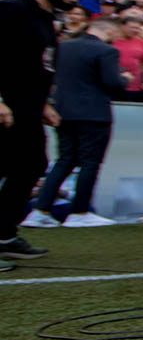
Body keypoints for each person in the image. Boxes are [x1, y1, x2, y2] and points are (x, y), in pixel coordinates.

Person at [0, 0, 84, 267]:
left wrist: (43, 103)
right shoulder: (12, 9)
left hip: (27, 108)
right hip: (6, 106)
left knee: (32, 164)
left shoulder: (46, 17)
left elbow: (36, 64)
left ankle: (4, 235)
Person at [22, 15, 127, 229]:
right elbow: (112, 82)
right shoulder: (107, 51)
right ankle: (79, 211)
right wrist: (125, 79)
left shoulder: (63, 47)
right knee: (90, 162)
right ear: (110, 31)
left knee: (64, 160)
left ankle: (40, 210)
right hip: (93, 113)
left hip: (63, 110)